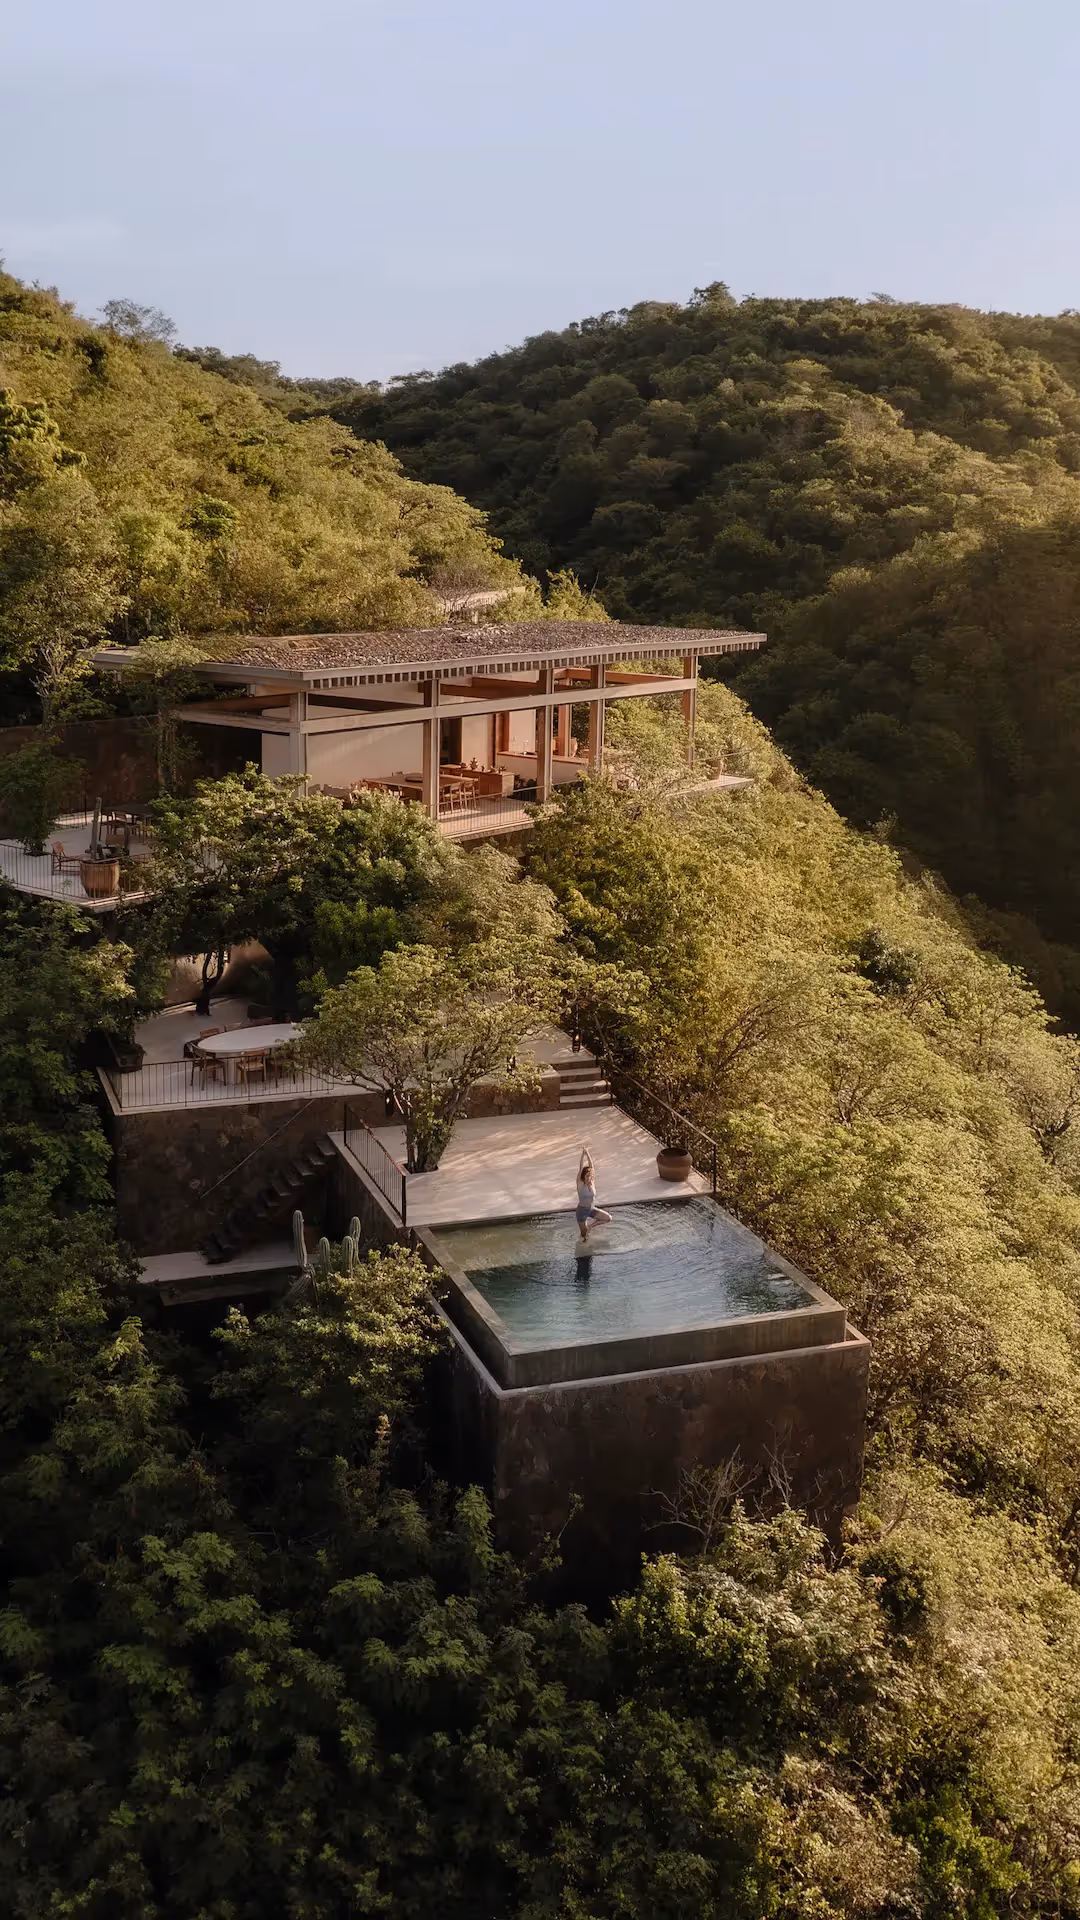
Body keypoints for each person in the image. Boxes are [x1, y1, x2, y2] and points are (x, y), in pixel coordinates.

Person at [576, 1146, 612, 1242]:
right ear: (583, 1176)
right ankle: (583, 1249)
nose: (589, 1177)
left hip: (591, 1209)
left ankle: (590, 1227)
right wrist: (582, 1155)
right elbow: (580, 1169)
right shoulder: (580, 1184)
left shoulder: (592, 1183)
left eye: (590, 1176)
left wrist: (588, 1153)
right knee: (584, 1236)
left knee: (608, 1218)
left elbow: (592, 1166)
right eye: (587, 1176)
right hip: (582, 1212)